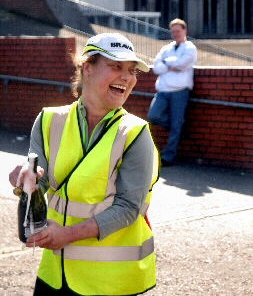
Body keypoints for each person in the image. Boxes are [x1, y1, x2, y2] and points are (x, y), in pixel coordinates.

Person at [9, 33, 159, 296]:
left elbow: (128, 208)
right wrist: (26, 179)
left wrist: (68, 234)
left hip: (111, 282)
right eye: (116, 67)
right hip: (55, 274)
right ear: (86, 68)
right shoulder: (48, 120)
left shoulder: (136, 133)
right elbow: (40, 181)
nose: (127, 77)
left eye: (132, 71)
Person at [148, 18, 197, 166]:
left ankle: (168, 156)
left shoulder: (190, 48)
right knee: (153, 115)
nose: (175, 34)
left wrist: (166, 63)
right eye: (173, 31)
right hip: (163, 89)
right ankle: (178, 130)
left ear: (185, 31)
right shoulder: (166, 48)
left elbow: (182, 64)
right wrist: (172, 64)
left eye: (178, 31)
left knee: (177, 122)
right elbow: (156, 67)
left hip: (180, 91)